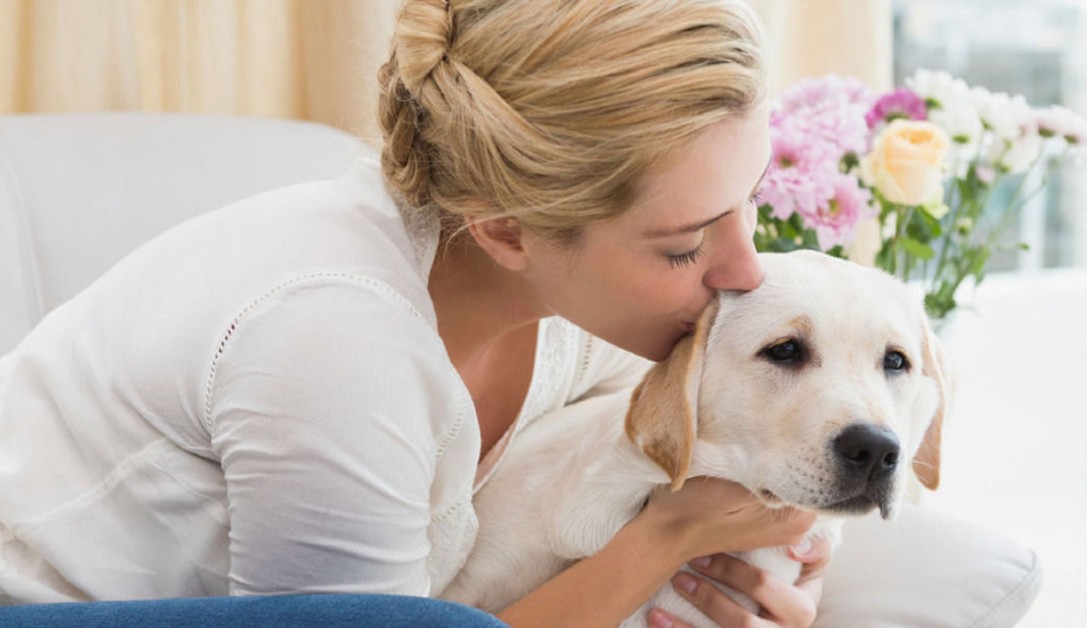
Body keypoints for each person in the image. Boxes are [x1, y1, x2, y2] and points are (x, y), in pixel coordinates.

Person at [0, 0, 830, 625]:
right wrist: (663, 543)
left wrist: (777, 543)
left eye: (746, 203)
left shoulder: (571, 307)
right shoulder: (332, 343)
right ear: (506, 229)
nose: (745, 269)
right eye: (684, 245)